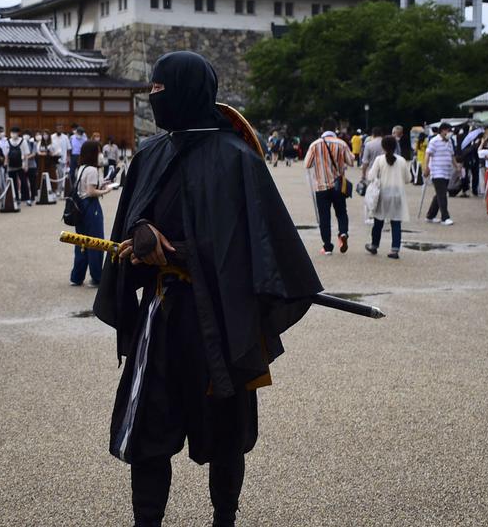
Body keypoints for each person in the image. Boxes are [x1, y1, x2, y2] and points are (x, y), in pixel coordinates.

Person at [94, 51, 322, 527]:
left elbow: (257, 251)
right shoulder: (151, 155)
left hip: (221, 320)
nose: (154, 97)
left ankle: (224, 518)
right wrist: (138, 233)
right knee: (148, 432)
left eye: (161, 88)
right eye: (151, 89)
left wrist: (177, 253)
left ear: (187, 90)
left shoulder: (238, 159)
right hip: (162, 319)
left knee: (225, 431)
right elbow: (131, 224)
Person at [305, 117, 355, 255]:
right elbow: (351, 161)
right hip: (338, 186)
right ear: (335, 129)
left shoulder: (315, 145)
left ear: (322, 129)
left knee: (324, 216)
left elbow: (307, 164)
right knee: (341, 212)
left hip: (321, 186)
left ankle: (327, 246)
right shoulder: (341, 144)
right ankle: (343, 233)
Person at [69, 141, 111, 286]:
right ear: (93, 153)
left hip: (79, 207)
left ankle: (77, 276)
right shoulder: (92, 170)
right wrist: (106, 190)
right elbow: (91, 192)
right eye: (98, 151)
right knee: (96, 242)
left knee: (80, 242)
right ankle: (97, 277)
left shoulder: (80, 168)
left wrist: (102, 183)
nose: (100, 155)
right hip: (91, 206)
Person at [364, 136, 409, 259]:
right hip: (397, 194)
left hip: (383, 194)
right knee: (396, 222)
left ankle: (374, 245)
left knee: (378, 221)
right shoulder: (402, 160)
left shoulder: (379, 160)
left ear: (383, 146)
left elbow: (371, 176)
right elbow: (408, 179)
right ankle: (395, 249)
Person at [423, 122, 456, 226]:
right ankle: (445, 217)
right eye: (448, 130)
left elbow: (452, 155)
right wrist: (426, 167)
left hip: (446, 171)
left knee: (439, 194)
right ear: (443, 130)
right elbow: (427, 154)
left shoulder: (449, 141)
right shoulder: (434, 141)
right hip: (437, 171)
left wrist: (457, 166)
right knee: (442, 194)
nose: (450, 133)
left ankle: (430, 215)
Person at [5, 127, 28, 203]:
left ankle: (25, 197)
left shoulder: (23, 141)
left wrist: (26, 165)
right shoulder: (7, 141)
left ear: (18, 133)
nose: (13, 134)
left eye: (15, 132)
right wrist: (6, 164)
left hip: (21, 164)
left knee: (24, 181)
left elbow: (26, 154)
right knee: (13, 182)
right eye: (12, 132)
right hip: (11, 165)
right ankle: (16, 197)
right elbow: (6, 154)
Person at [51, 124, 69, 195]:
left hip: (62, 159)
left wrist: (68, 158)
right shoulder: (52, 137)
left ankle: (59, 189)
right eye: (58, 128)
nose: (59, 129)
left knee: (61, 175)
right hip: (53, 158)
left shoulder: (65, 137)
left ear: (62, 129)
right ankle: (53, 188)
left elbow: (68, 149)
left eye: (60, 128)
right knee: (53, 175)